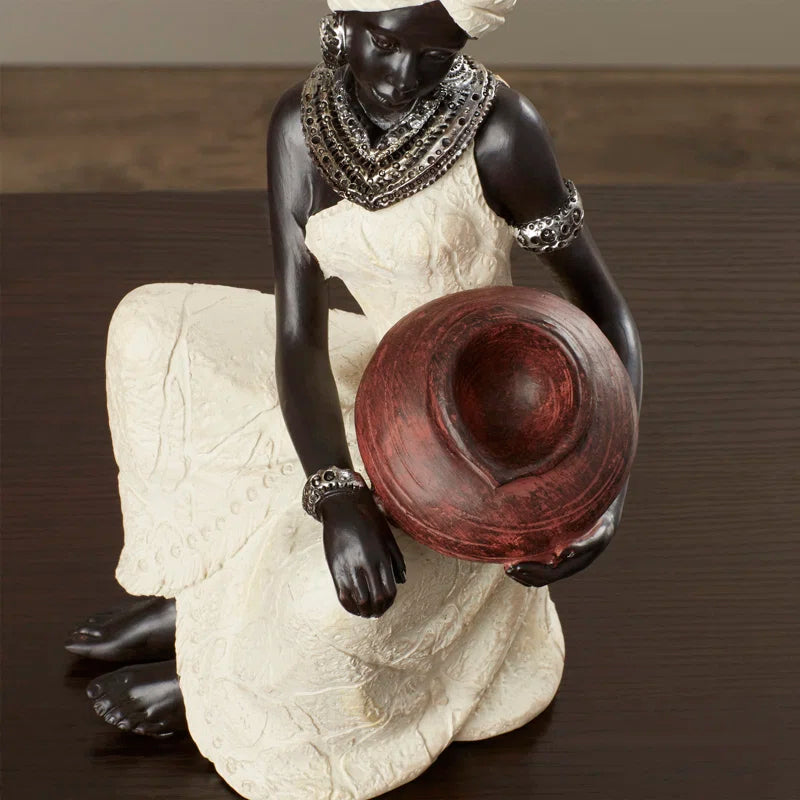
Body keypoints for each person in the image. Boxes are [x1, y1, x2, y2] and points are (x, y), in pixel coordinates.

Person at [65, 2, 643, 798]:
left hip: (469, 426)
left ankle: (209, 687)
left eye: (434, 58)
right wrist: (336, 492)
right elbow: (298, 333)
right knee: (149, 333)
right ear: (342, 23)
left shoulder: (499, 129)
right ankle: (201, 601)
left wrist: (600, 492)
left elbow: (605, 312)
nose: (400, 76)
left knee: (328, 606)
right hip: (369, 357)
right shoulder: (301, 126)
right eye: (382, 41)